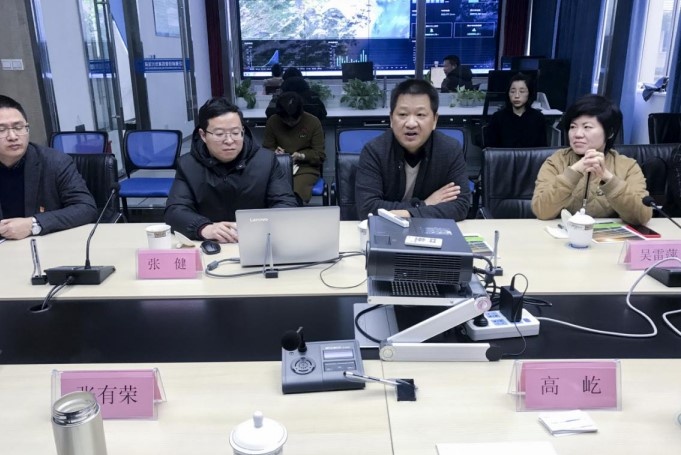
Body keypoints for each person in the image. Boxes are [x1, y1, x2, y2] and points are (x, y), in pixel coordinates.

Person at [164, 97, 298, 243]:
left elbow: (286, 204)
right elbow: (175, 210)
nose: (229, 141)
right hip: (210, 243)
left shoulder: (267, 161)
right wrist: (203, 228)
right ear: (203, 135)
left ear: (242, 131)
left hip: (258, 240)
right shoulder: (188, 165)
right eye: (219, 134)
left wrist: (258, 226)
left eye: (235, 133)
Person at [355, 79, 471, 221]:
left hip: (432, 231)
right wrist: (424, 204)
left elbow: (460, 206)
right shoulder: (374, 151)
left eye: (420, 115)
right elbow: (367, 209)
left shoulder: (450, 150)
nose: (411, 123)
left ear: (434, 120)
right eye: (403, 114)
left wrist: (406, 214)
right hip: (387, 231)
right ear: (391, 119)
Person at [531, 94, 652, 225]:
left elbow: (642, 216)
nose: (577, 134)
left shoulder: (628, 166)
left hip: (608, 236)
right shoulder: (556, 162)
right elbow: (541, 211)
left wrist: (608, 178)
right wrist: (573, 172)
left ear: (610, 132)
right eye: (573, 127)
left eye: (587, 127)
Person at [0, 95, 97, 240]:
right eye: (1, 130)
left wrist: (33, 224)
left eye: (18, 127)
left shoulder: (55, 162)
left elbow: (86, 208)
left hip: (46, 243)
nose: (13, 136)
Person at [262, 92, 325, 203]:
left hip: (305, 168)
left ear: (301, 114)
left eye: (294, 120)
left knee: (295, 191)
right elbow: (266, 149)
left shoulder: (313, 122)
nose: (290, 123)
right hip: (279, 167)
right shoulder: (273, 121)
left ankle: (293, 211)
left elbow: (319, 155)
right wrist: (275, 153)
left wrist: (301, 156)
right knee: (271, 189)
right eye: (286, 120)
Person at [483, 72, 548, 148]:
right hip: (504, 156)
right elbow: (490, 151)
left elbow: (542, 150)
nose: (516, 96)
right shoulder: (497, 118)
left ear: (529, 93)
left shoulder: (538, 118)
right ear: (508, 94)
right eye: (513, 91)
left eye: (522, 91)